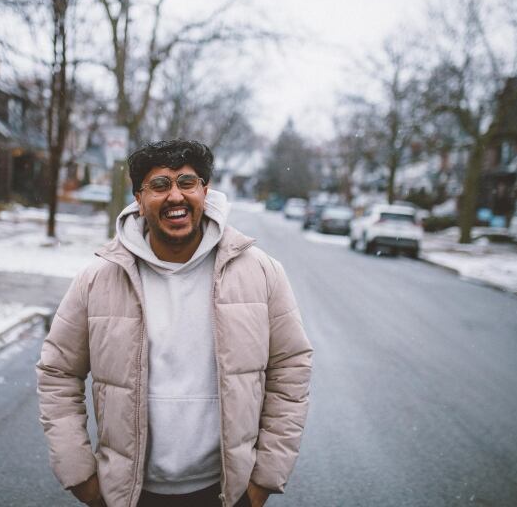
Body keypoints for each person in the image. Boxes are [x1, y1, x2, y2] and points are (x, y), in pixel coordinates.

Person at [36, 139, 313, 507]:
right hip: (128, 494)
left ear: (205, 190)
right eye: (160, 185)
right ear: (138, 197)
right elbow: (58, 373)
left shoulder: (261, 272)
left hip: (226, 492)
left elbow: (290, 369)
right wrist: (81, 476)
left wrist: (262, 480)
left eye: (187, 182)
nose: (175, 197)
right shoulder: (97, 279)